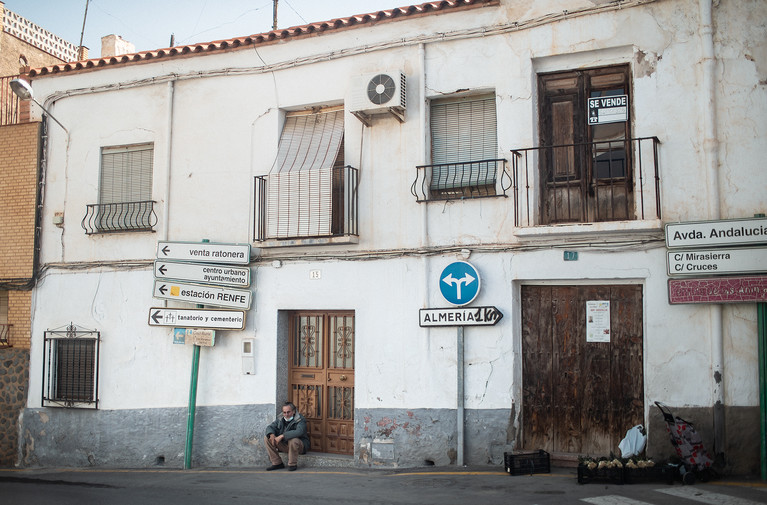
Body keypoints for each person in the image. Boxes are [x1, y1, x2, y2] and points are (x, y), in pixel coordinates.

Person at [264, 401, 310, 471]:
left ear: (294, 411)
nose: (286, 414)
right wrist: (271, 434)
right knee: (267, 438)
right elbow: (270, 427)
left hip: (299, 447)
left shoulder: (300, 419)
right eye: (284, 412)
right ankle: (277, 463)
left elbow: (299, 431)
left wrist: (283, 436)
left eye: (288, 412)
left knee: (293, 440)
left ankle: (292, 464)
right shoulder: (280, 418)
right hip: (285, 445)